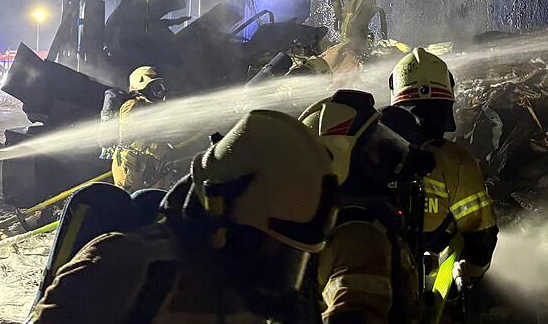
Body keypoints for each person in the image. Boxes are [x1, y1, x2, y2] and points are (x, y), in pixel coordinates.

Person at [30, 110, 340, 323]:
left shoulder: (254, 291)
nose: (275, 266)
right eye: (268, 247)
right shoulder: (124, 266)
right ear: (220, 211)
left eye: (290, 257)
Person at [301, 90, 434, 324]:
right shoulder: (360, 236)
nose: (387, 154)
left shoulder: (332, 225)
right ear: (337, 159)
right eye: (373, 147)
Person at [382, 48, 498, 308]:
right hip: (421, 286)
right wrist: (468, 274)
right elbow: (483, 234)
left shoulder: (370, 150)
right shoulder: (456, 161)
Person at [101, 66, 169, 191]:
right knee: (130, 200)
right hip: (128, 164)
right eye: (155, 87)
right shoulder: (131, 105)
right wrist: (156, 148)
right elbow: (128, 138)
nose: (160, 91)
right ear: (143, 86)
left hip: (139, 162)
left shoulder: (145, 106)